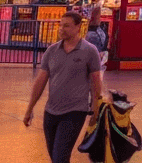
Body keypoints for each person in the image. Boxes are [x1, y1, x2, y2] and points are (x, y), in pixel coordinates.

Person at [23, 12, 107, 163]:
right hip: (51, 112)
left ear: (78, 27)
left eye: (67, 26)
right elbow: (40, 81)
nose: (61, 29)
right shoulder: (52, 51)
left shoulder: (89, 51)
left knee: (60, 157)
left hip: (75, 112)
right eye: (60, 25)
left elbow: (96, 84)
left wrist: (96, 111)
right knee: (55, 156)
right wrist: (29, 109)